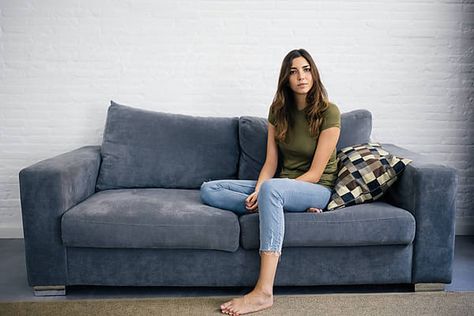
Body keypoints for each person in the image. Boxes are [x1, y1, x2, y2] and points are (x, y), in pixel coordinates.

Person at [200, 48, 341, 315]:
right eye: (294, 71)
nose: (301, 76)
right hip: (282, 187)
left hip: (316, 188)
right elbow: (270, 164)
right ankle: (274, 205)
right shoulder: (278, 112)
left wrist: (273, 190)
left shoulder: (329, 112)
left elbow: (315, 172)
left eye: (306, 69)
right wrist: (259, 190)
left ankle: (264, 292)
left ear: (314, 73)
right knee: (210, 189)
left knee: (273, 189)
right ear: (286, 79)